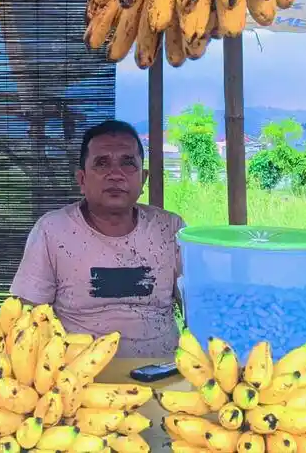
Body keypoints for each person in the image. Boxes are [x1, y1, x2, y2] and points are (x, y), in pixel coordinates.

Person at [10, 119, 186, 358]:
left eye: (128, 163)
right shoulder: (52, 231)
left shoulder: (170, 228)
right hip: (78, 379)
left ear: (143, 179)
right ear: (81, 180)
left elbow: (200, 304)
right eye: (102, 163)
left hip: (164, 374)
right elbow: (24, 318)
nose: (116, 174)